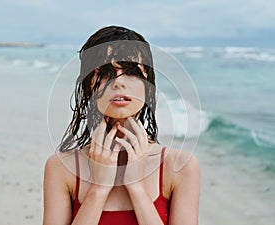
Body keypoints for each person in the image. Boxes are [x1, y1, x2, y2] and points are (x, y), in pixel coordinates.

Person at [43, 25, 200, 225]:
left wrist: (136, 188)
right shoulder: (61, 167)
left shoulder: (180, 167)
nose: (118, 83)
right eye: (106, 73)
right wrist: (99, 189)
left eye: (132, 72)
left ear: (148, 86)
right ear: (89, 86)